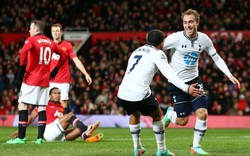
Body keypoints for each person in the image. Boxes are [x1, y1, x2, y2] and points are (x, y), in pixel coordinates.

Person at [162, 9, 241, 155]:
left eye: (191, 22)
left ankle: (195, 146)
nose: (188, 25)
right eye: (185, 22)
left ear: (197, 22)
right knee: (182, 121)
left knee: (203, 113)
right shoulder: (176, 38)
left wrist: (229, 75)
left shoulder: (204, 40)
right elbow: (157, 47)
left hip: (194, 80)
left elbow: (216, 58)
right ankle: (169, 115)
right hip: (177, 84)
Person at [117, 29, 202, 156]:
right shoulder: (158, 53)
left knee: (134, 114)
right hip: (139, 94)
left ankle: (137, 148)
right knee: (157, 115)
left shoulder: (137, 50)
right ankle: (161, 150)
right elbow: (170, 75)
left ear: (147, 40)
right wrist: (186, 88)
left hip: (122, 93)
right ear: (162, 43)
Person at [6, 19, 67, 144]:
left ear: (36, 29)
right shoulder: (51, 42)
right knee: (42, 108)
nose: (29, 30)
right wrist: (54, 70)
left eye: (30, 28)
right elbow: (64, 55)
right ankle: (39, 138)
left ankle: (21, 137)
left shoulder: (31, 40)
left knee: (22, 105)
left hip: (31, 78)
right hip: (45, 80)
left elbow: (23, 52)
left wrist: (20, 72)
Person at [9, 87, 103, 142]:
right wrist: (20, 131)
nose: (57, 95)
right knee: (70, 115)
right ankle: (86, 129)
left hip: (59, 136)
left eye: (59, 93)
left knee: (78, 129)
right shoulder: (43, 105)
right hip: (48, 131)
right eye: (55, 93)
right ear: (50, 95)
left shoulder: (62, 107)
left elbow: (66, 122)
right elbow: (31, 118)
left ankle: (85, 136)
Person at [50, 23, 92, 109]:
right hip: (50, 79)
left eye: (57, 31)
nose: (55, 33)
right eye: (53, 31)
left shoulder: (67, 45)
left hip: (63, 79)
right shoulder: (48, 45)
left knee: (63, 103)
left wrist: (86, 74)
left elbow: (76, 60)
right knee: (49, 103)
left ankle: (61, 122)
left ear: (61, 32)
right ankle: (51, 122)